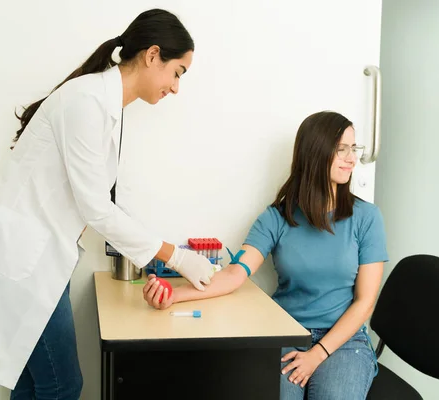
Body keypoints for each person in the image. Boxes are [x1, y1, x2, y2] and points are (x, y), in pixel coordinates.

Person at [0, 9, 216, 400]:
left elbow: (98, 199)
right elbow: (96, 207)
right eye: (178, 72)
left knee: (35, 384)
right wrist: (176, 257)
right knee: (61, 385)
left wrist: (164, 253)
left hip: (43, 257)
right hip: (28, 259)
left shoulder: (105, 105)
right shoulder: (86, 102)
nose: (176, 87)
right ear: (152, 55)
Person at [143, 111, 388, 399]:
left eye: (353, 148)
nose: (352, 158)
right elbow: (234, 275)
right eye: (341, 149)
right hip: (286, 332)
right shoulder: (278, 217)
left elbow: (365, 302)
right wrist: (175, 295)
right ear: (315, 152)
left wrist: (319, 353)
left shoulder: (366, 217)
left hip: (345, 341)